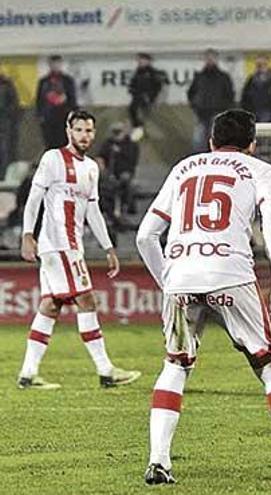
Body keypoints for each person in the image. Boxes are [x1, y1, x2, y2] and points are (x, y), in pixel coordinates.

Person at [135, 109, 271, 485]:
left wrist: (168, 282)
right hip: (231, 274)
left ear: (210, 142)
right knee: (269, 365)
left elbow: (145, 236)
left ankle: (158, 461)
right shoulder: (260, 171)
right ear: (254, 144)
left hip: (181, 278)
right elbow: (270, 222)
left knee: (175, 365)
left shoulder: (184, 168)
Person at [17, 110, 140, 390]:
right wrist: (27, 234)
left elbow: (93, 210)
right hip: (59, 244)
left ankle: (28, 373)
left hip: (70, 246)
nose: (85, 135)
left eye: (89, 130)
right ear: (68, 131)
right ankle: (106, 370)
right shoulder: (53, 159)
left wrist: (108, 246)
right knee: (87, 301)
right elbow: (34, 198)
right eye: (80, 130)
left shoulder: (92, 168)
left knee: (50, 306)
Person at [187, 49, 235, 152]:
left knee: (216, 139)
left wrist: (224, 109)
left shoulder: (223, 77)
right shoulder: (199, 76)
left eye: (212, 58)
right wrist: (195, 106)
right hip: (201, 113)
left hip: (217, 113)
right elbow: (191, 93)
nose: (210, 60)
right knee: (198, 141)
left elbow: (230, 94)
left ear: (216, 60)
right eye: (207, 58)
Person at [96, 122, 140, 218]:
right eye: (114, 132)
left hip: (124, 172)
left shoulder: (131, 145)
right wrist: (102, 167)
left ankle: (125, 207)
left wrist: (119, 152)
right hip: (109, 172)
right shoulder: (108, 143)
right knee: (101, 184)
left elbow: (132, 161)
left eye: (118, 132)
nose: (116, 134)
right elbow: (100, 157)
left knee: (125, 181)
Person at [36, 55, 77, 150]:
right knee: (50, 144)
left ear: (61, 64)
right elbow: (39, 100)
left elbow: (72, 99)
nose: (55, 66)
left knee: (64, 143)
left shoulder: (67, 81)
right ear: (49, 65)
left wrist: (73, 115)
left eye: (57, 64)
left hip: (63, 116)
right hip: (49, 118)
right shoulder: (44, 81)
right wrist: (40, 115)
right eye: (53, 64)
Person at [127, 53, 165, 140]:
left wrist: (151, 96)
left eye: (142, 60)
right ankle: (139, 130)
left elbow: (157, 86)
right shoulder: (138, 72)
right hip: (137, 97)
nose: (140, 62)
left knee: (144, 115)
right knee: (133, 112)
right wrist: (132, 90)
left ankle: (143, 131)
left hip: (146, 98)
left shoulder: (152, 73)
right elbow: (133, 84)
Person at [241, 55, 271, 123]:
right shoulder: (251, 79)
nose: (261, 66)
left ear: (267, 64)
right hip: (255, 113)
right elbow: (245, 97)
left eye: (263, 64)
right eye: (258, 64)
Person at [0, 64, 20, 177]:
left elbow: (14, 105)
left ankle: (3, 176)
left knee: (4, 150)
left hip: (4, 123)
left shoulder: (7, 84)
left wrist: (6, 114)